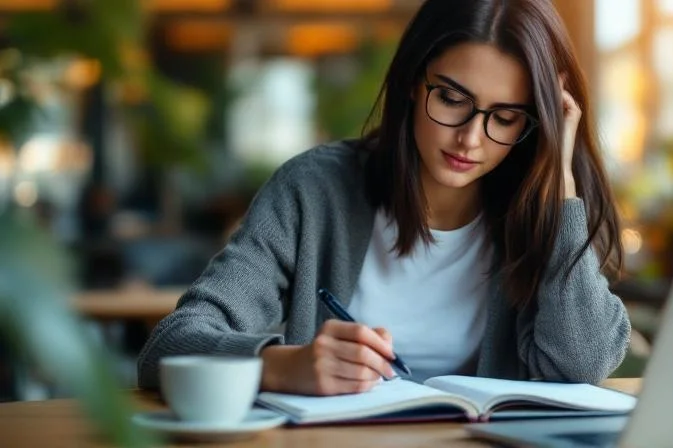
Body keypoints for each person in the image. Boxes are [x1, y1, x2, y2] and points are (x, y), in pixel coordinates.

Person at [138, 0, 631, 395]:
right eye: (451, 99)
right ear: (413, 82)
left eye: (505, 118)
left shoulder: (542, 211)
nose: (470, 139)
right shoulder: (314, 191)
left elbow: (583, 363)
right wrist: (283, 366)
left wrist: (558, 180)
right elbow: (168, 348)